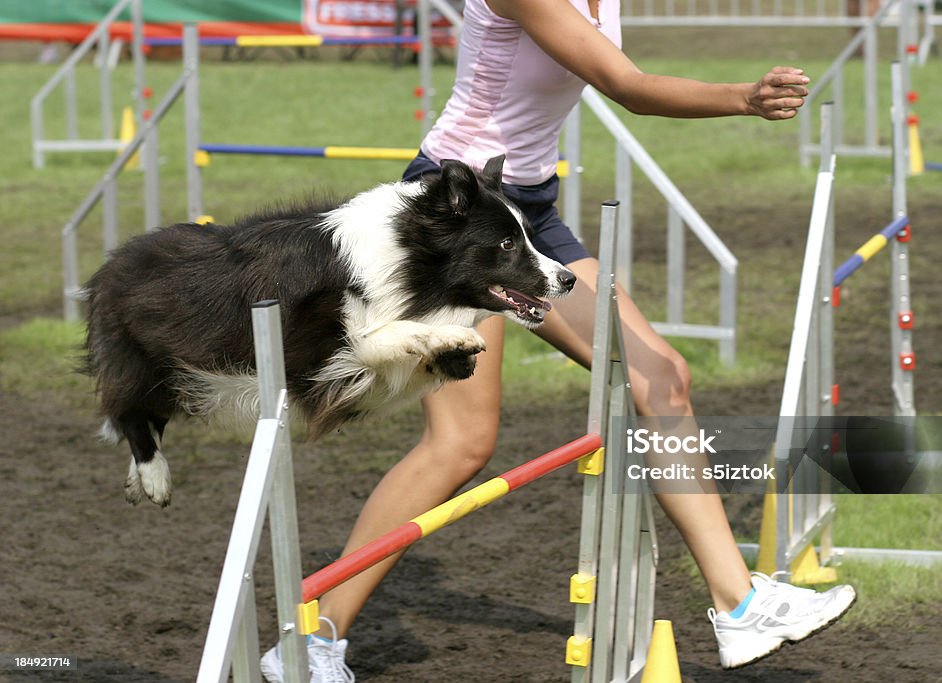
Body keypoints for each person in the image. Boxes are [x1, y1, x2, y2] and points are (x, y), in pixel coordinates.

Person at [262, 1, 856, 680]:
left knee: (662, 377)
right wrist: (741, 98)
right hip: (460, 220)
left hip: (527, 208)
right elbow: (625, 85)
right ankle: (312, 638)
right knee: (460, 444)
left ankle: (740, 604)